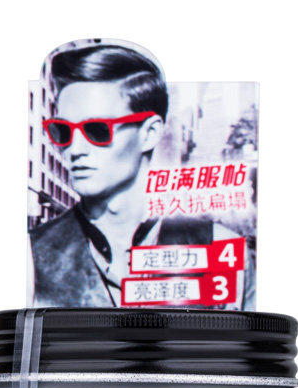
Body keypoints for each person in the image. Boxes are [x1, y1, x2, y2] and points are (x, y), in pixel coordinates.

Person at [29, 43, 254, 308]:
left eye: (97, 130)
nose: (75, 149)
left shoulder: (222, 249)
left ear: (149, 133)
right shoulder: (31, 255)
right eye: (62, 131)